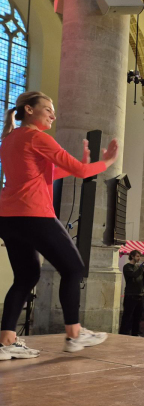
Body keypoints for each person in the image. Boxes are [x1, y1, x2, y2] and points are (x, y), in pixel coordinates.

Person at [0, 91, 117, 359]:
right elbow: (81, 172)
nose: (53, 114)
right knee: (74, 269)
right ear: (29, 110)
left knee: (26, 276)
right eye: (48, 109)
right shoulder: (38, 137)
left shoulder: (9, 139)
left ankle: (6, 342)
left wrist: (81, 165)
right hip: (34, 214)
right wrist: (105, 162)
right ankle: (75, 335)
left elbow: (44, 174)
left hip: (7, 217)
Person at [120, 250, 144, 336]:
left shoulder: (138, 267)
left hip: (139, 295)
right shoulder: (127, 267)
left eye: (139, 256)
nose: (139, 258)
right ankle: (123, 334)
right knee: (127, 317)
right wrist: (142, 267)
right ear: (132, 256)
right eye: (137, 256)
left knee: (138, 317)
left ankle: (135, 333)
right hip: (130, 296)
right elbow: (134, 275)